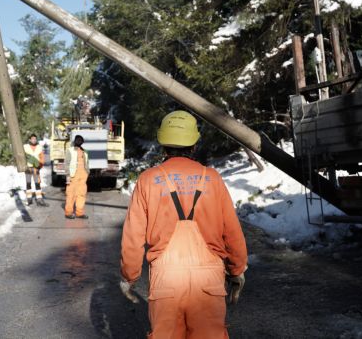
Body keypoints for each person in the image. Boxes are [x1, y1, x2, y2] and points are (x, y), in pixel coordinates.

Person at [119, 110, 248, 339]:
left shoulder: (148, 180)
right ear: (194, 144)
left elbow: (133, 236)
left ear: (163, 144)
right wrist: (237, 270)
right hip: (208, 281)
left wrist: (130, 277)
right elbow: (232, 231)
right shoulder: (212, 178)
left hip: (165, 279)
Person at [65, 135, 90, 219]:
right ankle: (68, 213)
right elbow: (67, 164)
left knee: (81, 194)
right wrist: (68, 175)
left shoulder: (85, 151)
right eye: (78, 140)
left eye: (81, 140)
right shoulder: (70, 150)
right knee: (71, 194)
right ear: (75, 141)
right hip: (73, 175)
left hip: (83, 176)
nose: (79, 142)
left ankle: (80, 213)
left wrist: (87, 172)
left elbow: (87, 163)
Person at [23, 133, 46, 206]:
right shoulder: (25, 147)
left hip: (36, 168)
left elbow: (42, 157)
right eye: (32, 139)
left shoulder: (39, 147)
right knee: (28, 183)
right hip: (27, 168)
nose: (34, 140)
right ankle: (29, 199)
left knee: (37, 183)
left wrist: (40, 166)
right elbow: (21, 156)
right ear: (29, 139)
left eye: (35, 139)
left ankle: (39, 199)